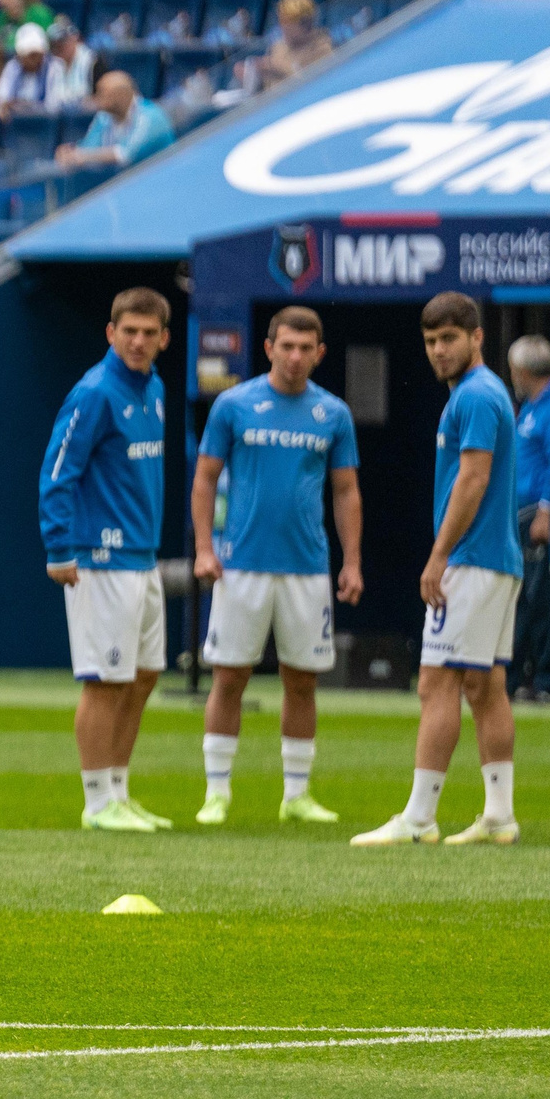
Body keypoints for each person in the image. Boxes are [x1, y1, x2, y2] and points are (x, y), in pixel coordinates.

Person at [353, 293, 522, 846]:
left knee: (436, 682)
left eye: (449, 339)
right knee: (485, 686)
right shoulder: (486, 392)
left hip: (471, 560)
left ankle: (419, 818)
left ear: (477, 337)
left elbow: (473, 478)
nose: (438, 351)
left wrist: (439, 554)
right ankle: (499, 815)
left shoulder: (475, 395)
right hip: (498, 560)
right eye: (430, 342)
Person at [188, 306, 363, 827]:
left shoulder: (332, 413)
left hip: (307, 569)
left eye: (305, 348)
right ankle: (216, 793)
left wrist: (351, 561)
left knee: (302, 680)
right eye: (285, 346)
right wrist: (204, 547)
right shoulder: (233, 405)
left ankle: (296, 795)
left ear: (319, 353)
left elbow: (347, 490)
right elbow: (204, 479)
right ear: (267, 348)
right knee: (230, 676)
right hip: (242, 566)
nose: (294, 357)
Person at [39, 288, 172, 831]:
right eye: (129, 331)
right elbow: (58, 471)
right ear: (110, 333)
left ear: (164, 338)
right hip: (101, 557)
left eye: (149, 333)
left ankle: (118, 788)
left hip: (143, 557)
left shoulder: (155, 388)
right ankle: (96, 801)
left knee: (142, 676)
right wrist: (59, 547)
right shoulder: (94, 392)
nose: (138, 342)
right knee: (105, 680)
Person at [508, 334, 550, 703]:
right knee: (525, 597)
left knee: (543, 598)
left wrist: (547, 511)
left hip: (540, 513)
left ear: (523, 370)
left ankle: (547, 682)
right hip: (522, 512)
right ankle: (523, 677)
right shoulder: (534, 404)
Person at [56, 70, 173, 170]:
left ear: (122, 96)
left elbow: (125, 154)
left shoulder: (150, 115)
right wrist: (71, 152)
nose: (97, 99)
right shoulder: (104, 116)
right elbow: (88, 148)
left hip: (161, 180)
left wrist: (81, 156)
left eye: (102, 93)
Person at [257, 0, 333, 88]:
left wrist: (281, 73)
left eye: (288, 23)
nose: (283, 28)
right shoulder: (278, 47)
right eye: (282, 21)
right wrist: (252, 76)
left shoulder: (323, 49)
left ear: (306, 24)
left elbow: (318, 87)